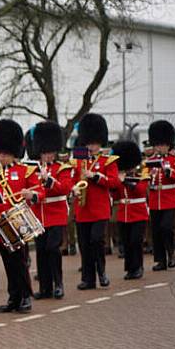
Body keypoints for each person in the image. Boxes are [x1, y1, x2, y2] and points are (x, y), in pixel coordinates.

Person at [0, 119, 39, 313]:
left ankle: (26, 297)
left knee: (20, 263)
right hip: (0, 226)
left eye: (5, 154)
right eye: (0, 153)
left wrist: (32, 195)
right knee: (8, 264)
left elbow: (39, 190)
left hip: (18, 223)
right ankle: (14, 297)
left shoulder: (25, 171)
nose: (2, 157)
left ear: (13, 153)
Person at [71, 113, 120, 290]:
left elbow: (114, 182)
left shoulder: (108, 161)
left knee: (96, 240)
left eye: (94, 143)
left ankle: (102, 273)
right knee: (84, 244)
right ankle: (88, 279)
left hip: (99, 209)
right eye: (89, 143)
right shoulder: (78, 161)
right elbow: (71, 180)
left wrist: (96, 176)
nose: (91, 146)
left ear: (100, 143)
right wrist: (74, 188)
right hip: (83, 209)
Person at [29, 121, 73, 299]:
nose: (48, 156)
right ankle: (45, 288)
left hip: (56, 214)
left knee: (53, 248)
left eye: (51, 152)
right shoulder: (32, 170)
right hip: (39, 215)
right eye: (45, 152)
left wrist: (48, 181)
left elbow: (65, 188)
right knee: (41, 251)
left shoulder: (62, 168)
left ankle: (58, 284)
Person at [145, 120, 175, 270]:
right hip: (155, 200)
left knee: (166, 227)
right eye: (158, 145)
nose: (160, 147)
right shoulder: (150, 161)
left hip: (169, 199)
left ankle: (171, 254)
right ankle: (160, 260)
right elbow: (146, 179)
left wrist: (171, 172)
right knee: (156, 230)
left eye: (163, 145)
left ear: (168, 145)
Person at [110, 141, 147, 279]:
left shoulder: (141, 176)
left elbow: (140, 191)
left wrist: (125, 181)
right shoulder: (120, 176)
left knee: (135, 241)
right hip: (123, 213)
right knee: (126, 242)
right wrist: (115, 185)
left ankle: (138, 267)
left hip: (138, 214)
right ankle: (130, 268)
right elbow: (116, 195)